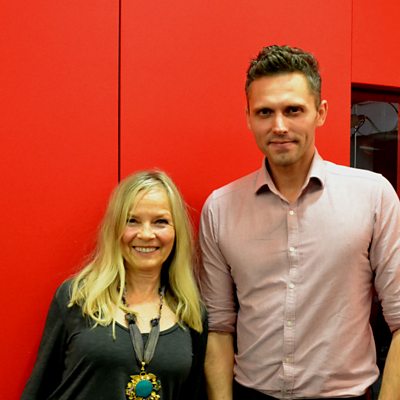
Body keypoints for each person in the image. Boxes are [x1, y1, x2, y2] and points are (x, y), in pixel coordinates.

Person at [199, 45, 400, 400]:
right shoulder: (220, 208)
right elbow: (219, 327)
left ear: (320, 113)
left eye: (293, 110)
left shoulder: (373, 196)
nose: (279, 126)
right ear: (248, 117)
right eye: (265, 112)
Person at [22, 171, 207, 400]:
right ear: (115, 228)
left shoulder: (191, 313)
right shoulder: (78, 297)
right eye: (132, 221)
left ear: (177, 231)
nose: (146, 234)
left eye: (160, 222)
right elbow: (39, 387)